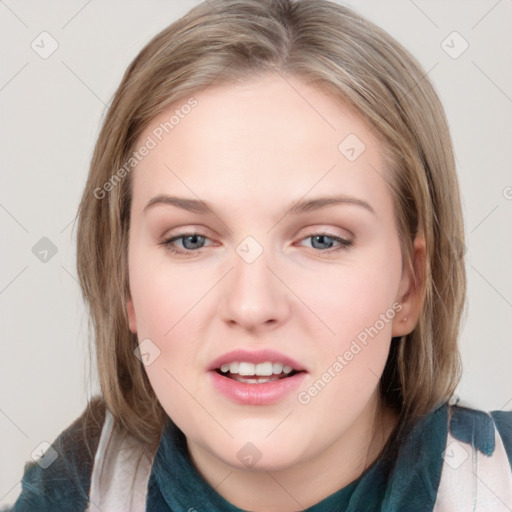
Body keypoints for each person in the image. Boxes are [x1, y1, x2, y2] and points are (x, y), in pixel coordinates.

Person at [7, 0, 512, 510]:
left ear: (410, 283)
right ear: (125, 284)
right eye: (191, 240)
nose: (251, 305)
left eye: (322, 240)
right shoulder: (62, 492)